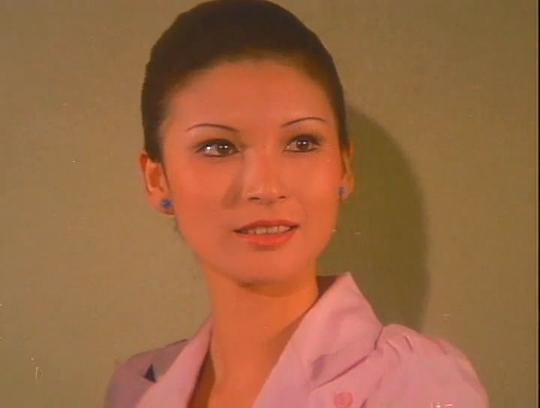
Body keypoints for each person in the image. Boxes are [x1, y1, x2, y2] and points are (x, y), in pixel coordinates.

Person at [105, 1, 489, 407]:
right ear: (157, 179)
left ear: (343, 168)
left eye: (302, 143)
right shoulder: (136, 389)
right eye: (218, 147)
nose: (266, 187)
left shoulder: (417, 384)